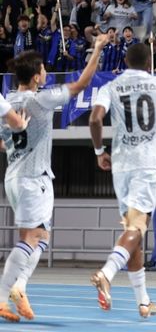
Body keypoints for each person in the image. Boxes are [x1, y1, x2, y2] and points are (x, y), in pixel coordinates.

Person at [0, 35, 109, 322]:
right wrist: (97, 48)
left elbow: (2, 142)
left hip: (14, 174)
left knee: (40, 237)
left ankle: (19, 288)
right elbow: (82, 83)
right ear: (36, 77)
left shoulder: (9, 102)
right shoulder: (41, 99)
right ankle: (2, 295)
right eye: (44, 70)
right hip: (32, 177)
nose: (46, 72)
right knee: (33, 238)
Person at [89, 43, 156, 318]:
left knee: (134, 232)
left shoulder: (111, 86)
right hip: (148, 163)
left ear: (125, 60)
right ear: (149, 63)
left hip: (121, 164)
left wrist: (99, 152)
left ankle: (143, 301)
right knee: (138, 227)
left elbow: (95, 119)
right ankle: (107, 272)